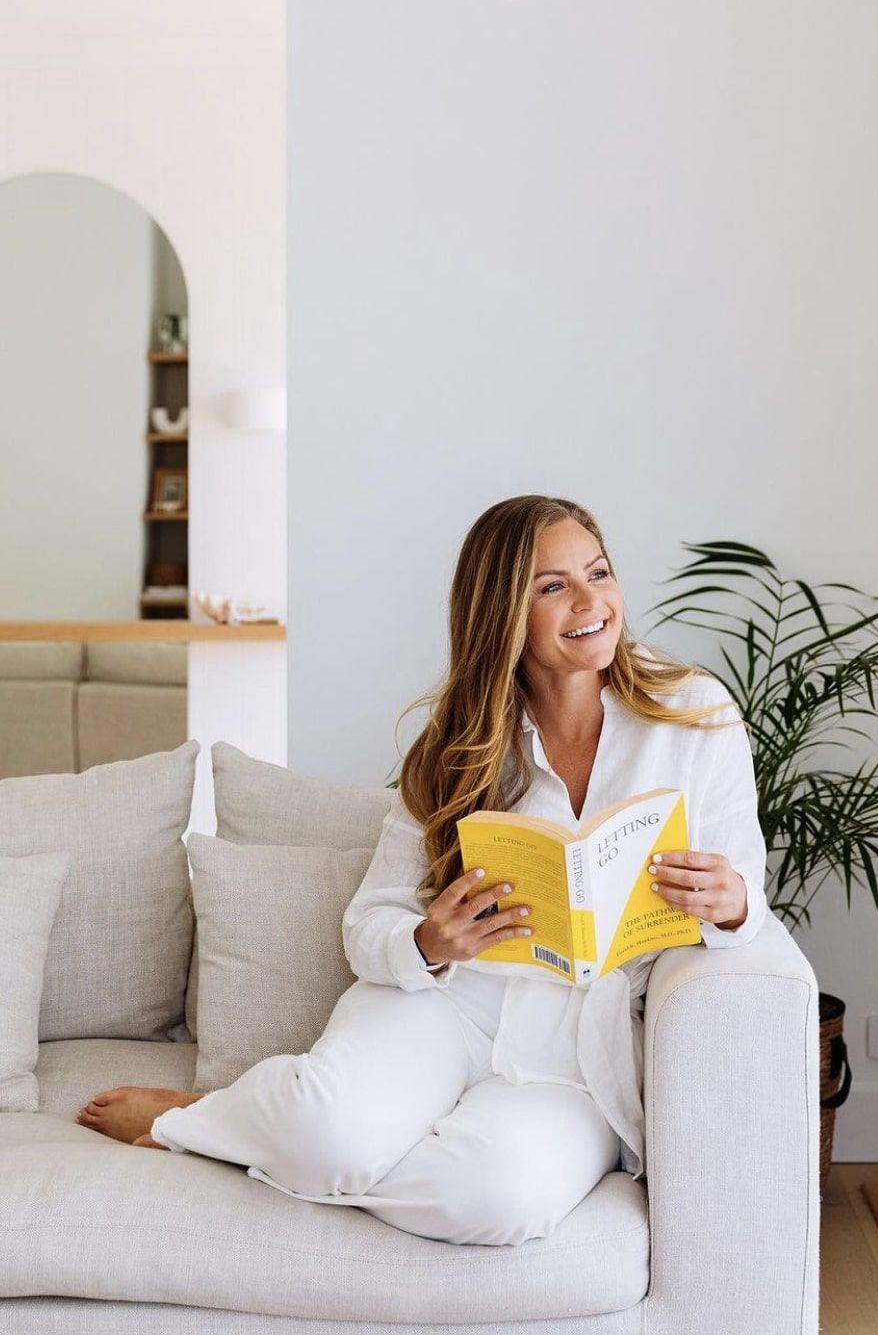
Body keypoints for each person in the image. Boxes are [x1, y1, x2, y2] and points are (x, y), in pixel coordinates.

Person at [75, 495, 770, 1245]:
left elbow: (747, 896)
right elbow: (367, 924)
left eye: (598, 572)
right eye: (552, 585)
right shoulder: (459, 747)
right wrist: (430, 942)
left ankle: (253, 1133)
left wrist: (730, 903)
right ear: (502, 612)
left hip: (579, 1052)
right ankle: (252, 1122)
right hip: (448, 1006)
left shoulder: (694, 714)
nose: (590, 599)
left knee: (494, 1200)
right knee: (328, 1137)